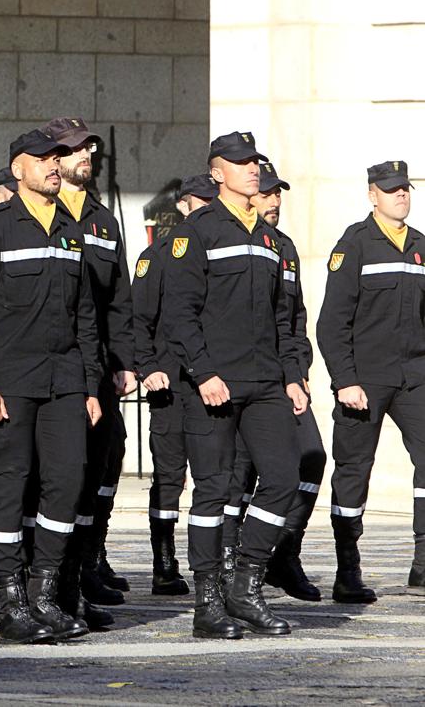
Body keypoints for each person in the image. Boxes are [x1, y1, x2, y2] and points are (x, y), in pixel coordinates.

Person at [0, 129, 100, 645]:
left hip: (63, 383)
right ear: (18, 170)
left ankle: (44, 594)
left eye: (58, 159)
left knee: (65, 485)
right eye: (44, 160)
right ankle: (11, 602)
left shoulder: (70, 230)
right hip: (8, 384)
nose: (55, 166)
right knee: (7, 490)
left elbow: (84, 315)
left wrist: (88, 386)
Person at [164, 131, 305, 639]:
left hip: (265, 380)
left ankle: (245, 586)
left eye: (255, 161)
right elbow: (180, 313)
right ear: (217, 171)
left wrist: (293, 376)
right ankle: (208, 601)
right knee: (213, 489)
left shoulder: (271, 239)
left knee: (284, 479)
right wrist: (203, 373)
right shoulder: (199, 231)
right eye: (241, 162)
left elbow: (284, 315)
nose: (253, 169)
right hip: (212, 384)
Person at [41, 117, 136, 624]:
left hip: (98, 368)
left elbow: (119, 299)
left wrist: (124, 361)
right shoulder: (38, 213)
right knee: (60, 480)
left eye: (88, 150)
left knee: (93, 477)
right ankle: (48, 590)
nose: (85, 157)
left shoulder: (102, 220)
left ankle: (78, 582)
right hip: (53, 370)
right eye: (74, 150)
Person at [318, 160, 425, 603]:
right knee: (353, 471)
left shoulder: (420, 245)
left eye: (405, 187)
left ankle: (423, 562)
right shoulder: (355, 245)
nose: (401, 194)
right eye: (391, 188)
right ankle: (349, 569)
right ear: (372, 195)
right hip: (364, 379)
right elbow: (332, 322)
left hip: (414, 377)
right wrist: (345, 379)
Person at [224, 161, 325, 602]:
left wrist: (297, 375)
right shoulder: (226, 237)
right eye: (267, 193)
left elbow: (293, 318)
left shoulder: (283, 246)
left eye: (278, 193)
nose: (275, 201)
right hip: (235, 379)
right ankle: (231, 565)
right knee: (236, 475)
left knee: (310, 458)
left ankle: (284, 550)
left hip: (279, 377)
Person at [131, 173, 216, 597]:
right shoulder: (158, 254)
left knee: (217, 475)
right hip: (171, 383)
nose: (204, 209)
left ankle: (220, 561)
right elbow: (139, 319)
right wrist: (147, 367)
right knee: (170, 475)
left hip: (212, 384)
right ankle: (164, 561)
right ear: (182, 206)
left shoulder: (223, 248)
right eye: (198, 203)